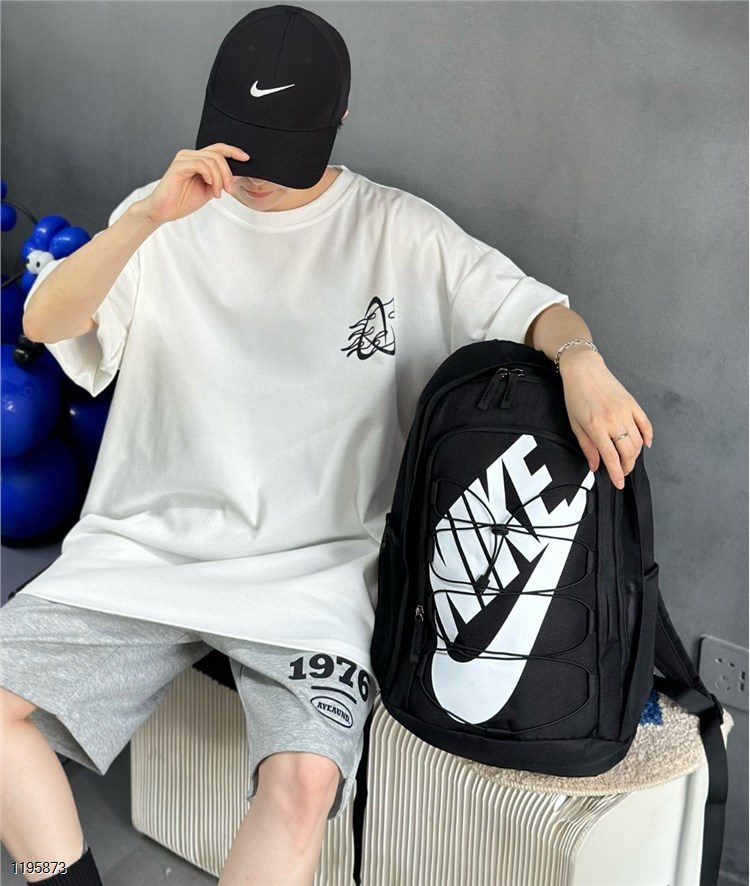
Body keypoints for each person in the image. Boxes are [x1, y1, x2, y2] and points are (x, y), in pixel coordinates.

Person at [0, 5, 653, 886]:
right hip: (147, 544)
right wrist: (146, 218)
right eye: (243, 145)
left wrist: (581, 360)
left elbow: (535, 307)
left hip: (315, 573)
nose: (258, 174)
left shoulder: (400, 232)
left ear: (337, 120)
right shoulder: (162, 217)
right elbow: (44, 321)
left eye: (284, 149)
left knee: (305, 783)